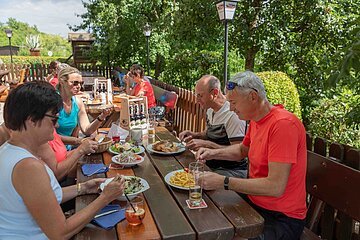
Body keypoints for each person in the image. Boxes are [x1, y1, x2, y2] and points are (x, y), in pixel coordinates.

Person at [0, 81, 125, 239]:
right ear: (31, 120)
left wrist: (83, 187)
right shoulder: (28, 166)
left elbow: (44, 197)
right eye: (53, 119)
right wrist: (105, 197)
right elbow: (60, 232)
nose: (57, 125)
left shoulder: (7, 151)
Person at [196, 71, 307, 240]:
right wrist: (212, 152)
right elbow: (241, 151)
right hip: (255, 204)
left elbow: (275, 187)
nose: (231, 109)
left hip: (282, 217)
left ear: (253, 97)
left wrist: (223, 181)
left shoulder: (283, 125)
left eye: (233, 103)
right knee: (207, 215)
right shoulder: (256, 120)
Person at [179, 75, 247, 178]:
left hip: (231, 171)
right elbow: (208, 133)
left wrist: (208, 145)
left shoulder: (233, 115)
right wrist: (195, 135)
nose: (197, 100)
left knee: (193, 181)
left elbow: (239, 155)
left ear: (214, 93)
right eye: (196, 95)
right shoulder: (210, 109)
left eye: (200, 96)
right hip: (212, 166)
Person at [0, 124, 98, 181]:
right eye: (54, 120)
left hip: (66, 163)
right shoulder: (37, 141)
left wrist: (79, 141)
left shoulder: (42, 127)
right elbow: (57, 175)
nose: (57, 125)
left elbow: (56, 136)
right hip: (62, 178)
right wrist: (80, 150)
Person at [56, 67, 112, 139]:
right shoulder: (52, 101)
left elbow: (86, 130)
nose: (79, 86)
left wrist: (102, 116)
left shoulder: (78, 102)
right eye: (75, 83)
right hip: (54, 148)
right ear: (62, 82)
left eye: (81, 83)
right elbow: (50, 136)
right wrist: (77, 142)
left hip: (71, 146)